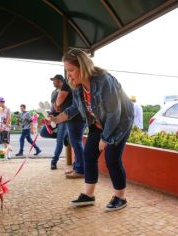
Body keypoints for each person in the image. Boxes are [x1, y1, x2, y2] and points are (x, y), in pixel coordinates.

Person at [50, 49, 134, 211]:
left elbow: (114, 113)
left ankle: (120, 198)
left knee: (112, 159)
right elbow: (76, 107)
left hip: (119, 123)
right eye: (67, 71)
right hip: (98, 123)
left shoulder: (104, 81)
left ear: (82, 66)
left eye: (71, 70)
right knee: (89, 155)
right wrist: (57, 118)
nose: (69, 75)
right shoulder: (77, 87)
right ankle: (89, 196)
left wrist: (106, 138)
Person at [52, 74, 86, 178]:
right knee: (75, 142)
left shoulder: (68, 82)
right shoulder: (75, 82)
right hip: (74, 116)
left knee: (76, 142)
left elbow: (60, 99)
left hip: (74, 118)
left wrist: (56, 104)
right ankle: (77, 167)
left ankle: (80, 170)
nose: (53, 82)